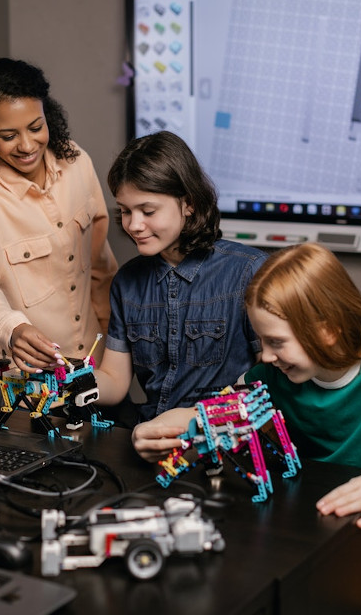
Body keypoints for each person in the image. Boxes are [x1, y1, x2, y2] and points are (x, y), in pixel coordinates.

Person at [239, 242, 361, 615]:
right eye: (262, 342)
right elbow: (228, 407)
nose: (265, 356)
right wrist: (178, 421)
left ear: (328, 331)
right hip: (323, 543)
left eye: (276, 342)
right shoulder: (271, 375)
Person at [93, 131, 268, 455]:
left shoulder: (249, 271)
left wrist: (197, 419)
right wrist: (66, 383)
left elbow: (270, 386)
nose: (133, 225)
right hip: (153, 443)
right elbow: (115, 383)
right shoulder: (127, 282)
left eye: (147, 211)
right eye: (125, 211)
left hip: (228, 447)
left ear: (188, 203)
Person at [0, 57, 118, 372]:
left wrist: (119, 344)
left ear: (47, 116)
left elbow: (100, 265)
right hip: (30, 383)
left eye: (35, 127)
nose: (27, 145)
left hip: (96, 363)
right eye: (8, 135)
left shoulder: (77, 162)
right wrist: (11, 326)